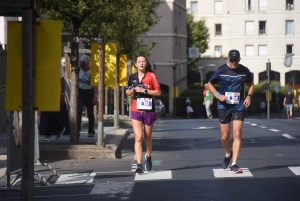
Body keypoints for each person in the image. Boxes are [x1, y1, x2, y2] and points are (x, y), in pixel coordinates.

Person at [207, 49, 254, 173]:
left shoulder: (244, 71)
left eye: (236, 61)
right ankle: (228, 153)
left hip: (238, 106)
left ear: (239, 60)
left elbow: (251, 84)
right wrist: (218, 95)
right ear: (228, 59)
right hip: (224, 106)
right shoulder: (221, 70)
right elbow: (209, 84)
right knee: (224, 137)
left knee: (237, 133)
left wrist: (249, 96)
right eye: (232, 61)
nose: (234, 63)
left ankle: (234, 163)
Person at [126, 55, 161, 174]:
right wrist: (129, 92)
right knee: (138, 137)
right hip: (136, 109)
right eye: (139, 62)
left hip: (149, 109)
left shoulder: (151, 76)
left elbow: (158, 92)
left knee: (147, 137)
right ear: (135, 64)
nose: (141, 63)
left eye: (143, 62)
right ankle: (139, 164)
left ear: (146, 64)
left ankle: (149, 156)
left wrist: (144, 90)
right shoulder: (132, 77)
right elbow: (128, 90)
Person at [40, 58, 66, 141]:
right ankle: (59, 128)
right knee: (48, 112)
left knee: (50, 112)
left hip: (54, 91)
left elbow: (62, 80)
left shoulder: (57, 62)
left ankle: (48, 135)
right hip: (44, 90)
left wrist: (62, 93)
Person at [77, 55, 98, 137]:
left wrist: (95, 96)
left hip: (90, 92)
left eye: (83, 65)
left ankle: (91, 131)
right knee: (78, 111)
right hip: (80, 92)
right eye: (81, 65)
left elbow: (96, 85)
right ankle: (77, 130)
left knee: (90, 113)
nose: (82, 67)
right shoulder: (79, 70)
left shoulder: (92, 71)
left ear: (88, 64)